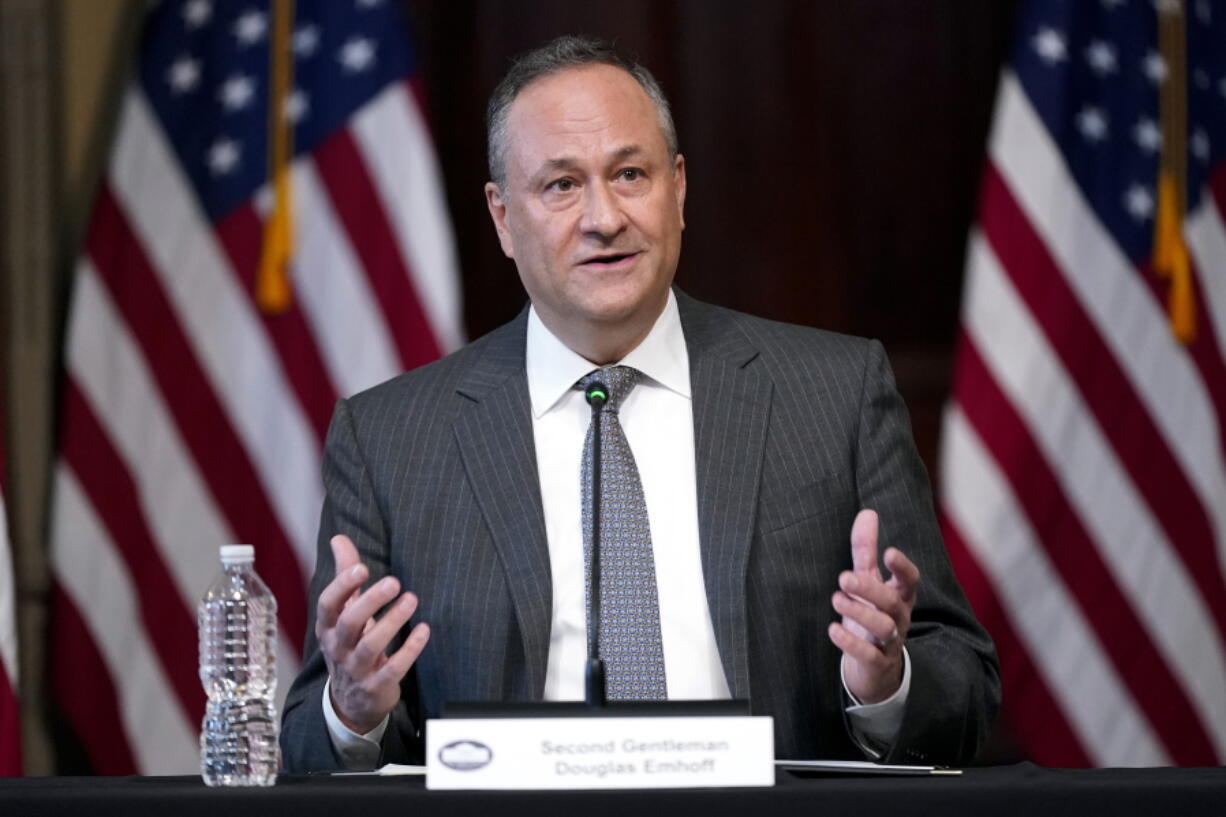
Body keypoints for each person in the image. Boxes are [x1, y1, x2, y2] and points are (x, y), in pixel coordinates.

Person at [280, 35, 999, 772]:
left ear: (677, 189)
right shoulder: (390, 439)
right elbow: (307, 739)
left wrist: (885, 686)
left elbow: (966, 687)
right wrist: (356, 712)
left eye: (629, 174)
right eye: (560, 185)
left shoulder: (835, 394)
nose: (604, 217)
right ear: (501, 217)